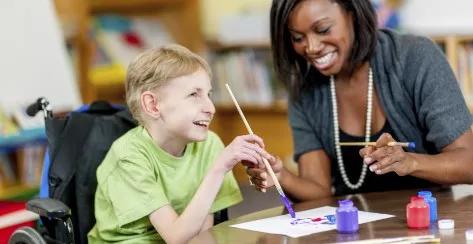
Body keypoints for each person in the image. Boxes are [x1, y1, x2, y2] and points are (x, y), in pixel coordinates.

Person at [248, 0, 473, 200]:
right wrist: (280, 175)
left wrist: (410, 162)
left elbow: (468, 163)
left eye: (323, 29)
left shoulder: (415, 57)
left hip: (427, 224)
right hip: (352, 230)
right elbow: (318, 189)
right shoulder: (305, 90)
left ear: (352, 13)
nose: (312, 47)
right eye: (298, 37)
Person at [87, 45, 274, 243]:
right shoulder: (128, 156)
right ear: (153, 105)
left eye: (209, 94)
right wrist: (219, 168)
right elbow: (175, 238)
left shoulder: (209, 145)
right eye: (194, 94)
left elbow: (202, 234)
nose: (210, 108)